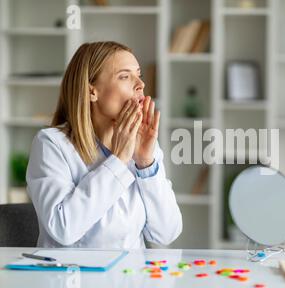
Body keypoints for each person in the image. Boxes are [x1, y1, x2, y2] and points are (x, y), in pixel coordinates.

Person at [26, 41, 182, 248]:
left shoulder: (143, 147)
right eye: (125, 76)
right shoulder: (51, 144)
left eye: (139, 75)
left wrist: (146, 164)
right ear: (92, 91)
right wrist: (118, 160)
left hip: (132, 278)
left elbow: (167, 233)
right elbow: (64, 229)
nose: (140, 84)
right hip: (73, 278)